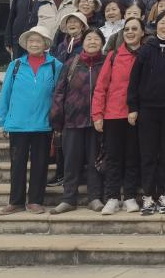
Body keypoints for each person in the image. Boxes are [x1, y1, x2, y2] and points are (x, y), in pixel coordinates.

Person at [0, 25, 62, 215]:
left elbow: (59, 95)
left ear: (45, 44)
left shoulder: (55, 65)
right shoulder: (15, 65)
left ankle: (35, 201)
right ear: (26, 44)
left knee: (40, 164)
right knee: (17, 164)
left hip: (43, 124)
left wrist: (57, 121)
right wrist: (2, 121)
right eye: (31, 41)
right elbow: (5, 93)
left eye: (38, 41)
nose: (34, 44)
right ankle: (16, 201)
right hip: (17, 124)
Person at [128, 11, 165, 215]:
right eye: (163, 22)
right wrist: (133, 107)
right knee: (148, 154)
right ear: (156, 25)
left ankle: (164, 194)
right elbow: (134, 80)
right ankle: (148, 196)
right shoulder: (147, 49)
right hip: (147, 110)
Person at [50, 28, 106, 213]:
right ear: (83, 42)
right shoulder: (71, 63)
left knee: (95, 161)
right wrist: (57, 119)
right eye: (89, 38)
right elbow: (59, 92)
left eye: (96, 39)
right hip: (72, 120)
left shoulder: (106, 63)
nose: (92, 42)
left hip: (97, 122)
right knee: (71, 162)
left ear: (102, 43)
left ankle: (95, 197)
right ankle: (68, 198)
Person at [93, 17, 144, 215]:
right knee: (113, 158)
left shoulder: (145, 54)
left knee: (132, 156)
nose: (130, 32)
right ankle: (112, 197)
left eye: (134, 29)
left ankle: (129, 196)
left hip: (137, 115)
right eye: (127, 29)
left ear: (142, 33)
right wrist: (97, 114)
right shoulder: (113, 56)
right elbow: (101, 87)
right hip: (113, 114)